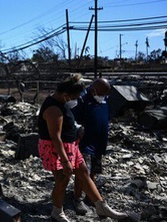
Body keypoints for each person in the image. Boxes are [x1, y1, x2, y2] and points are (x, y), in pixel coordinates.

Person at [37, 74, 127, 222]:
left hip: (70, 145)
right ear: (66, 95)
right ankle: (57, 211)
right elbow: (55, 137)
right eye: (75, 96)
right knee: (62, 179)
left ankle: (101, 206)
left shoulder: (61, 102)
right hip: (56, 148)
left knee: (84, 172)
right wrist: (65, 161)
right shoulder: (53, 109)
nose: (77, 99)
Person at [72, 77, 112, 215]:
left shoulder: (103, 100)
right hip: (85, 143)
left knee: (94, 170)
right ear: (94, 89)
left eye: (104, 95)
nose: (102, 97)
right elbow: (74, 120)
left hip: (99, 141)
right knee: (82, 172)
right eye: (101, 94)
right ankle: (77, 198)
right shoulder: (82, 100)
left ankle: (90, 195)